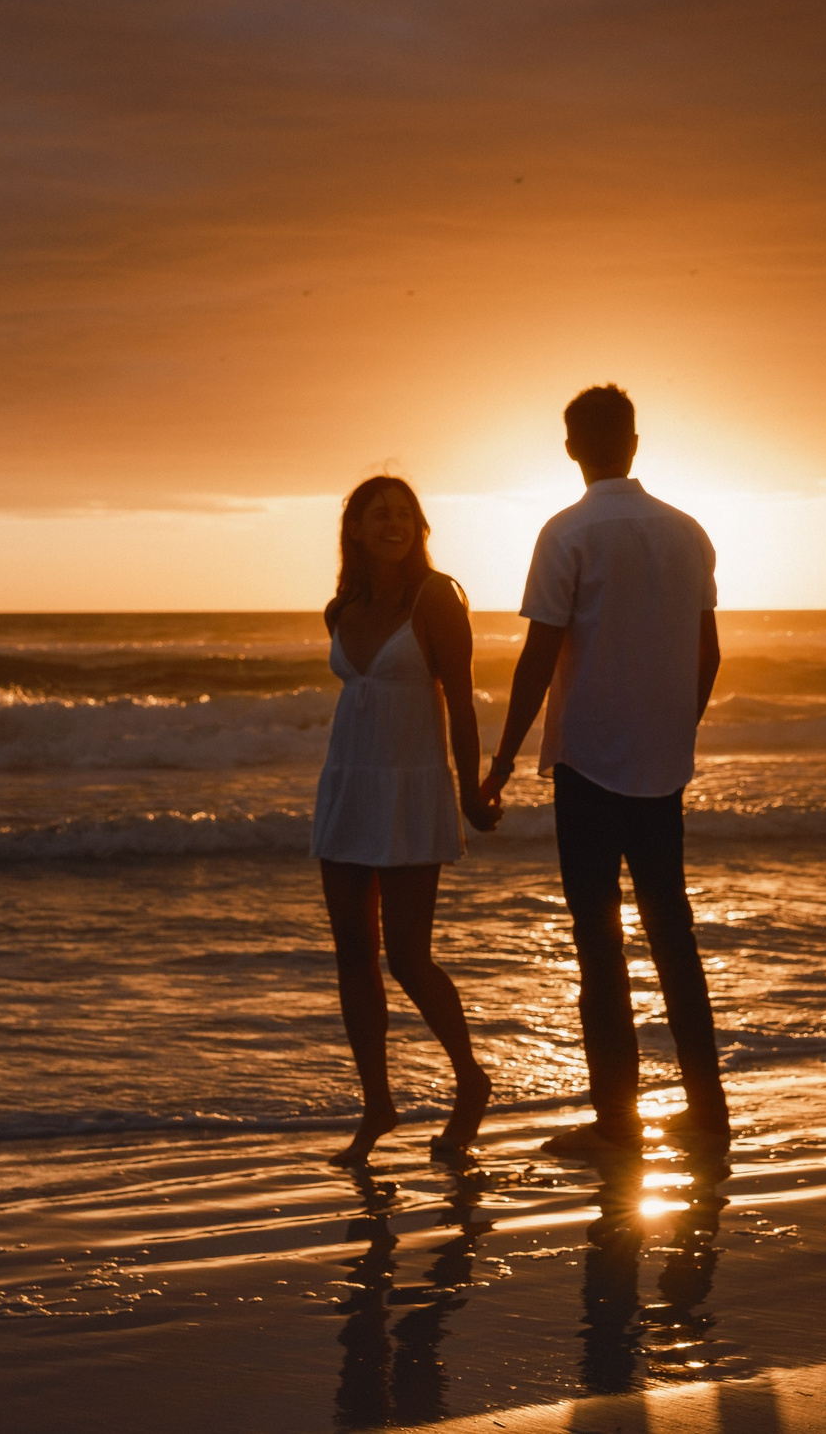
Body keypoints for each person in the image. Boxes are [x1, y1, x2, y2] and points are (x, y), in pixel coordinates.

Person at [477, 386, 728, 1160]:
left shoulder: (566, 533)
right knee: (672, 933)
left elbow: (539, 655)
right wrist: (676, 728)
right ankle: (708, 1110)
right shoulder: (688, 532)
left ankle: (617, 1122)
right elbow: (710, 651)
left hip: (588, 763)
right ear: (635, 442)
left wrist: (500, 762)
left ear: (571, 448)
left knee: (598, 939)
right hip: (661, 766)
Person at [314, 474, 497, 1164]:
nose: (392, 523)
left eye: (403, 513)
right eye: (378, 514)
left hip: (411, 791)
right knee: (352, 955)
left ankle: (470, 1079)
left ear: (419, 527)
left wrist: (473, 791)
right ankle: (377, 1107)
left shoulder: (437, 598)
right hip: (348, 786)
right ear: (354, 530)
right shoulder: (341, 608)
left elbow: (462, 702)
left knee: (409, 957)